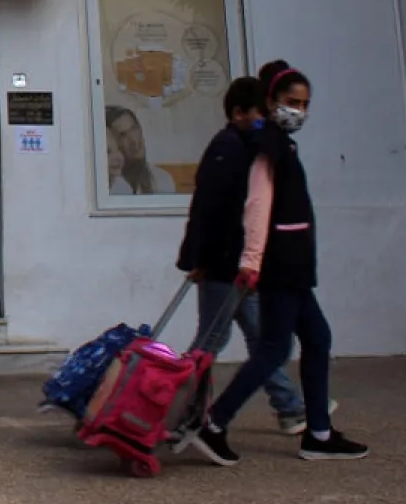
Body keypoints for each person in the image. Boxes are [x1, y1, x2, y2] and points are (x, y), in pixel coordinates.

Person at [190, 62, 368, 465]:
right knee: (272, 348)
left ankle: (318, 432)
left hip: (296, 265)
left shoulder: (282, 144)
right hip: (281, 266)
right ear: (271, 102)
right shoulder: (268, 146)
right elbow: (257, 204)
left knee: (316, 339)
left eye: (305, 104)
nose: (298, 110)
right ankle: (215, 423)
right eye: (291, 102)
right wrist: (251, 260)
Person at [175, 75, 311, 433]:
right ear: (238, 113)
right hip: (224, 265)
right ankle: (177, 407)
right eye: (259, 115)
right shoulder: (230, 150)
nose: (265, 123)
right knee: (211, 343)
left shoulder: (240, 146)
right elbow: (211, 209)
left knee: (260, 340)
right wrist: (200, 260)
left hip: (235, 266)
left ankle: (290, 407)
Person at [105, 105, 175, 194]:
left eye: (134, 128)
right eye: (122, 135)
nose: (134, 140)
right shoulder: (110, 185)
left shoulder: (161, 179)